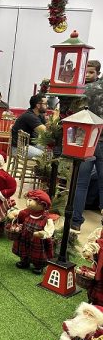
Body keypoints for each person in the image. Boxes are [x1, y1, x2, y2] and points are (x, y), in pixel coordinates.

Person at [71, 59, 103, 232]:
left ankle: (76, 221)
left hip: (85, 140)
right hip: (101, 139)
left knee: (81, 183)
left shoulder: (82, 90)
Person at [10, 93, 47, 159]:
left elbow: (47, 128)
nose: (47, 106)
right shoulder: (29, 116)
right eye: (45, 104)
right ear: (38, 105)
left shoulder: (39, 115)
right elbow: (45, 131)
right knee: (46, 156)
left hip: (31, 144)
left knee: (50, 151)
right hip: (19, 148)